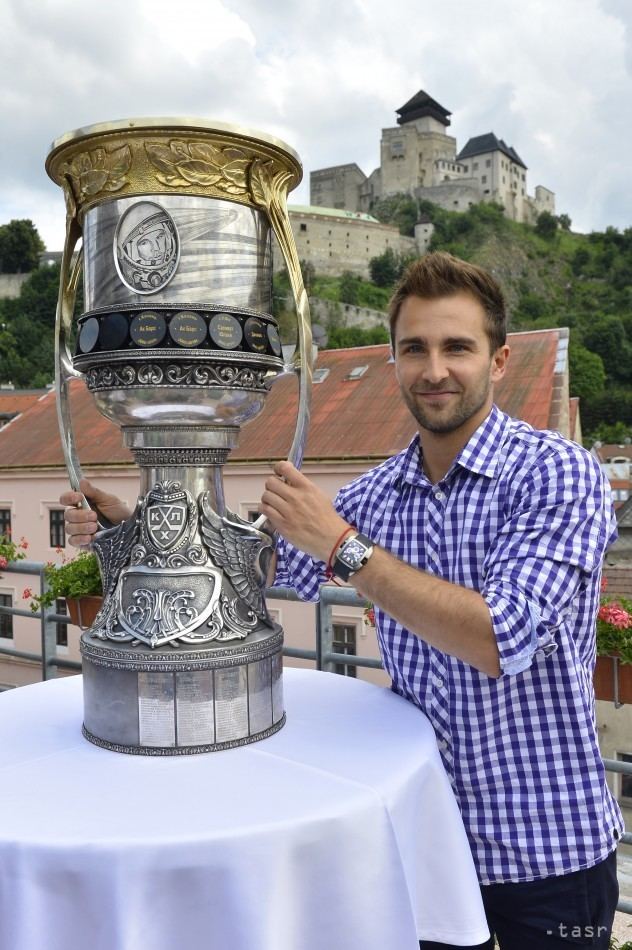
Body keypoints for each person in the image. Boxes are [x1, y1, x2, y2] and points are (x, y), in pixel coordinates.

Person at [63, 252, 622, 949]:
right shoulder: (379, 491)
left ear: (500, 361)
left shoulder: (557, 473)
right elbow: (250, 571)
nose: (435, 369)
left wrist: (346, 549)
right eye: (414, 349)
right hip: (422, 833)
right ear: (394, 362)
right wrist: (131, 526)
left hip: (544, 850)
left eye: (458, 348)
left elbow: (499, 639)